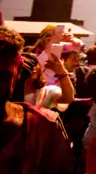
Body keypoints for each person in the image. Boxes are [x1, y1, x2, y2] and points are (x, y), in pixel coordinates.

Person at [0, 26, 74, 173]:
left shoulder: (45, 125)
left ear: (18, 71)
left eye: (2, 76)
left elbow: (67, 98)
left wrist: (62, 73)